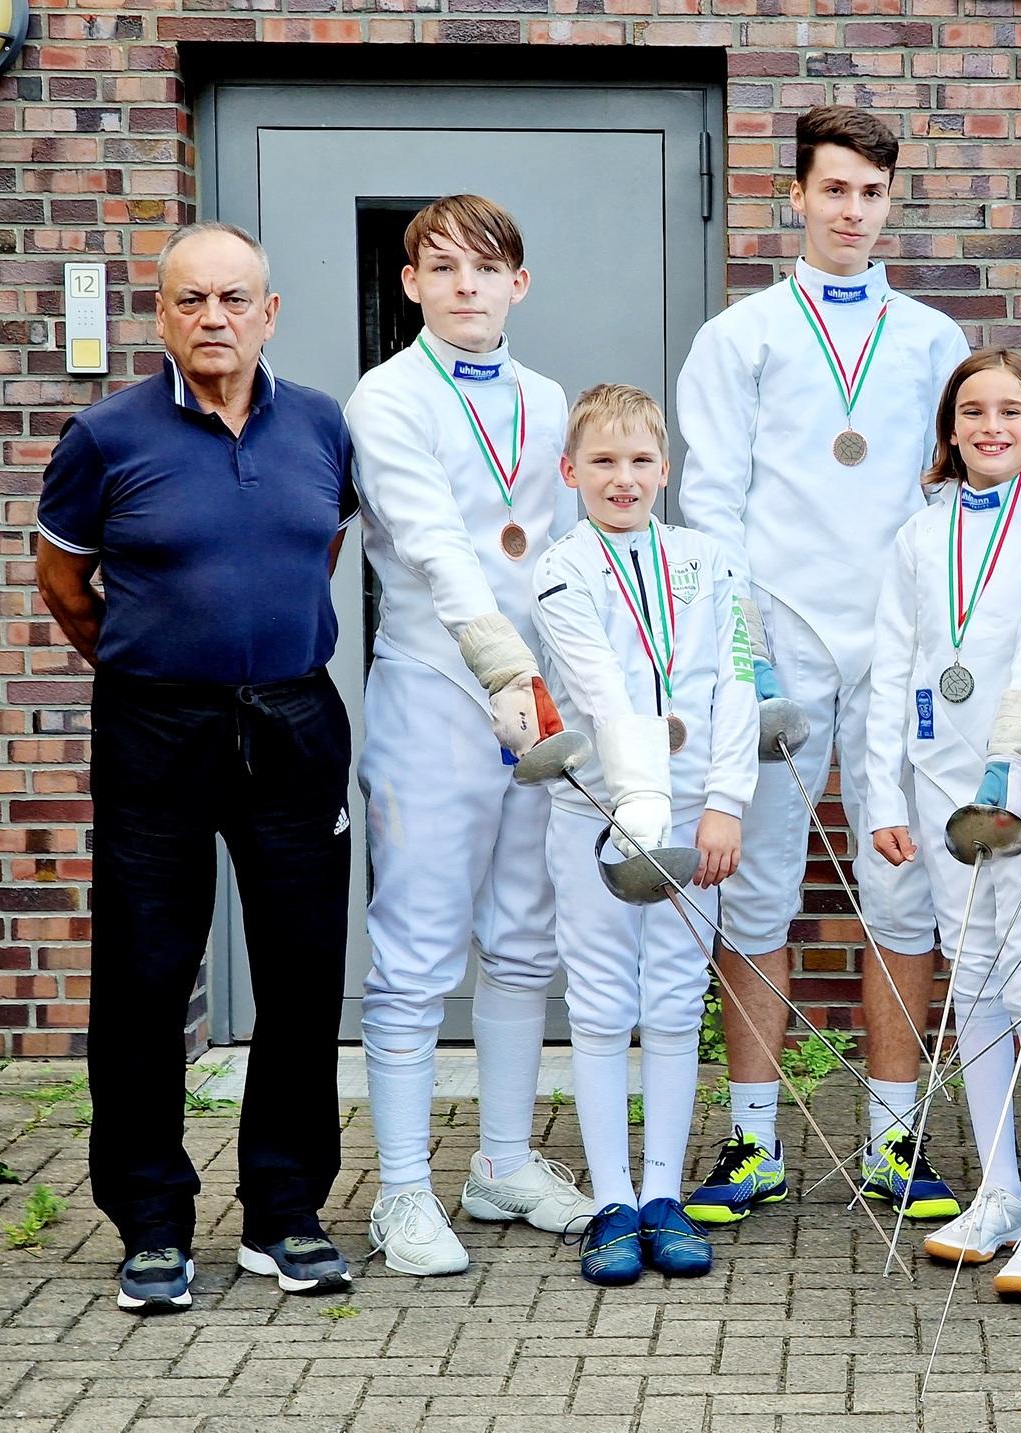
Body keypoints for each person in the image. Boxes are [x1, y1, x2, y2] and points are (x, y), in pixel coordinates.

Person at [35, 222, 358, 1312]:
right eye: (191, 300)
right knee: (143, 977)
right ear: (162, 315)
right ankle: (152, 1224)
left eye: (233, 298)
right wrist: (161, 663)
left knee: (303, 974)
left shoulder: (321, 425)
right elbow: (66, 587)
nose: (213, 318)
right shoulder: (104, 437)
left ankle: (284, 1212)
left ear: (270, 312)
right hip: (155, 731)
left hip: (296, 723)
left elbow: (317, 549)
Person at [676, 105, 972, 1226]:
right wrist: (741, 653)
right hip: (780, 640)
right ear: (794, 196)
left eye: (872, 193)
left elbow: (950, 493)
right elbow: (712, 505)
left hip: (896, 643)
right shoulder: (740, 335)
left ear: (892, 202)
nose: (853, 211)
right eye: (834, 189)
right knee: (756, 886)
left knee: (902, 886)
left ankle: (896, 1138)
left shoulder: (933, 338)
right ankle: (752, 1142)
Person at [348, 194, 594, 1276]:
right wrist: (502, 666)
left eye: (485, 268)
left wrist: (572, 682)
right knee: (414, 950)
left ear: (517, 284)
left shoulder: (546, 398)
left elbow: (569, 548)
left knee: (525, 936)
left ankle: (501, 1163)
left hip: (537, 701)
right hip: (439, 690)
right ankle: (402, 1191)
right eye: (441, 267)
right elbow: (434, 541)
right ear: (410, 284)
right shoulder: (387, 395)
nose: (464, 285)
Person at [865, 350, 1021, 1293]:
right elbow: (893, 668)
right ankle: (997, 1187)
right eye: (972, 411)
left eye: (1009, 411)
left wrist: (1009, 763)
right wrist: (883, 795)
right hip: (937, 785)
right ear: (949, 429)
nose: (990, 426)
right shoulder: (917, 537)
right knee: (971, 978)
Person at [529, 384, 758, 1286]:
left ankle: (663, 1193)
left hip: (694, 814)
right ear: (569, 471)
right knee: (598, 1003)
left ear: (665, 469)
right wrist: (643, 820)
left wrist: (725, 802)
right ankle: (613, 1202)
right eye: (602, 462)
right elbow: (605, 696)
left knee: (671, 999)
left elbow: (737, 681)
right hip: (601, 815)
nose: (621, 479)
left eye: (638, 461)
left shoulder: (712, 561)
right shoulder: (561, 570)